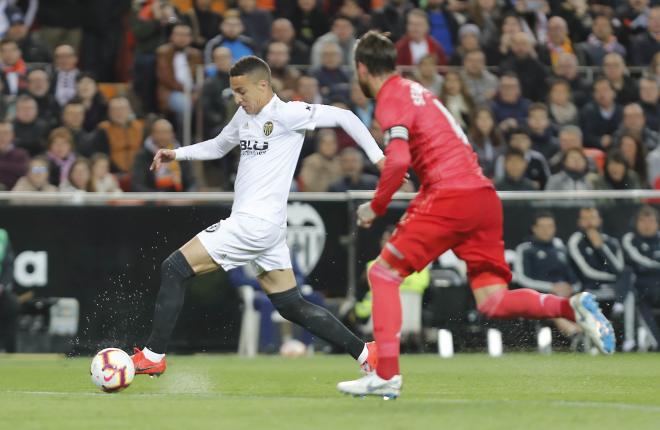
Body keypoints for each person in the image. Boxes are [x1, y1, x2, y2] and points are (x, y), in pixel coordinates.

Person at [338, 31, 614, 399]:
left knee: (382, 273)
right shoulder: (419, 91)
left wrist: (375, 206)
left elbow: (399, 159)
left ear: (361, 67)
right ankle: (572, 306)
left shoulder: (390, 96)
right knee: (493, 300)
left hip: (449, 194)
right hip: (482, 196)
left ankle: (386, 375)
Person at [130, 56, 384, 378]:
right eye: (234, 92)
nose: (237, 99)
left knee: (174, 267)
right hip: (267, 229)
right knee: (291, 305)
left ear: (263, 85)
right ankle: (366, 352)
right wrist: (176, 154)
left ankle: (153, 355)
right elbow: (220, 145)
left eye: (241, 91)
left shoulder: (288, 113)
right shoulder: (243, 115)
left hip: (252, 224)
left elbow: (345, 117)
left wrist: (378, 159)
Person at [515, 212, 581, 337]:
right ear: (534, 228)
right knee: (552, 304)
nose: (546, 231)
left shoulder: (561, 249)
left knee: (583, 303)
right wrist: (551, 288)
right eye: (542, 227)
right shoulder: (525, 249)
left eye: (550, 226)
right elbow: (522, 279)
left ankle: (589, 334)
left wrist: (570, 288)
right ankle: (575, 334)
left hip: (566, 296)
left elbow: (575, 279)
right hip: (538, 297)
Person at [622, 206, 660, 349]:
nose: (647, 225)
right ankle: (630, 342)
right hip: (642, 292)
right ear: (636, 223)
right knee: (656, 343)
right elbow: (639, 261)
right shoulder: (630, 239)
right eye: (643, 221)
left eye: (651, 221)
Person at [131, 119, 196, 192]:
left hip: (179, 198)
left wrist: (188, 197)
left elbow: (192, 182)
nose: (162, 136)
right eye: (159, 132)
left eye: (166, 132)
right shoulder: (142, 156)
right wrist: (160, 197)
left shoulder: (180, 153)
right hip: (154, 199)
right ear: (152, 134)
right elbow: (137, 186)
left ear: (172, 134)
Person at [0, 229, 18, 353]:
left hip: (1, 288)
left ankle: (8, 350)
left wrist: (2, 284)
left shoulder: (2, 235)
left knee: (12, 305)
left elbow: (9, 264)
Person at [0, 120, 28, 191]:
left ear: (12, 135)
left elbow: (24, 171)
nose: (2, 136)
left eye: (5, 133)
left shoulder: (21, 154)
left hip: (15, 195)